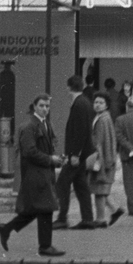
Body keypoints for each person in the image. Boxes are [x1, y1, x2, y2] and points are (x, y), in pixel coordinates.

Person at [0, 94, 66, 256]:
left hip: (43, 173)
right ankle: (45, 246)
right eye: (41, 106)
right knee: (45, 208)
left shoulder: (45, 124)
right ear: (34, 107)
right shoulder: (30, 126)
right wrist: (50, 159)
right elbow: (29, 151)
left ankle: (6, 229)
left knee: (37, 209)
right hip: (36, 174)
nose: (45, 109)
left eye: (47, 106)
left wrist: (55, 159)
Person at [53, 75, 97, 231]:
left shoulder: (78, 104)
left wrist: (75, 154)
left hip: (78, 155)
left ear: (69, 87)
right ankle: (87, 219)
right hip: (84, 153)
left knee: (62, 183)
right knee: (81, 186)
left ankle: (62, 218)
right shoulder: (85, 102)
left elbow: (79, 131)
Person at [87, 92, 123, 227]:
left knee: (99, 191)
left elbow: (101, 142)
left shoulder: (102, 119)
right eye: (95, 102)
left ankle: (101, 219)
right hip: (105, 159)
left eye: (101, 102)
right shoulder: (104, 117)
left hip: (101, 160)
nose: (97, 105)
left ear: (106, 105)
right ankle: (115, 210)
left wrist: (104, 161)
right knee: (101, 190)